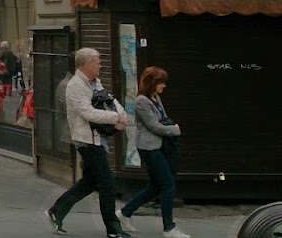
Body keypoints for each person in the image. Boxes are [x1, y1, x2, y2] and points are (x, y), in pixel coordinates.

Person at [46, 48, 130, 238]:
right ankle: (113, 229)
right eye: (97, 62)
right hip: (86, 141)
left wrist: (122, 115)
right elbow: (87, 112)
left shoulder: (95, 82)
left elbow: (110, 100)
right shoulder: (75, 86)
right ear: (85, 64)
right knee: (107, 184)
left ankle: (56, 211)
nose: (100, 65)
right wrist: (115, 117)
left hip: (99, 139)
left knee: (89, 182)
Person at [117, 67, 187, 238]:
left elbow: (162, 120)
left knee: (155, 186)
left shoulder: (156, 98)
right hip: (149, 148)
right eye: (160, 82)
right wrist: (175, 130)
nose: (163, 86)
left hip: (159, 147)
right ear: (152, 83)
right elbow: (154, 126)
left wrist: (168, 127)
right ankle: (169, 228)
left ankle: (125, 212)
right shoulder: (141, 101)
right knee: (168, 185)